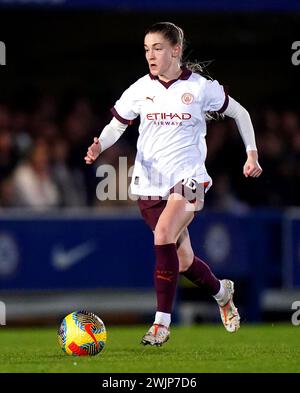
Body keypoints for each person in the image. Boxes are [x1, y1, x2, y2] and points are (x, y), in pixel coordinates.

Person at [84, 22, 262, 346]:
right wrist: (100, 145)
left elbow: (241, 113)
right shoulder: (140, 89)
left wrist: (251, 155)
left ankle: (161, 324)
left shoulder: (200, 88)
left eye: (158, 48)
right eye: (146, 49)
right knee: (182, 261)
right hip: (149, 183)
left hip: (191, 178)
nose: (151, 55)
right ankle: (223, 293)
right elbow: (115, 126)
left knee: (164, 234)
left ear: (175, 50)